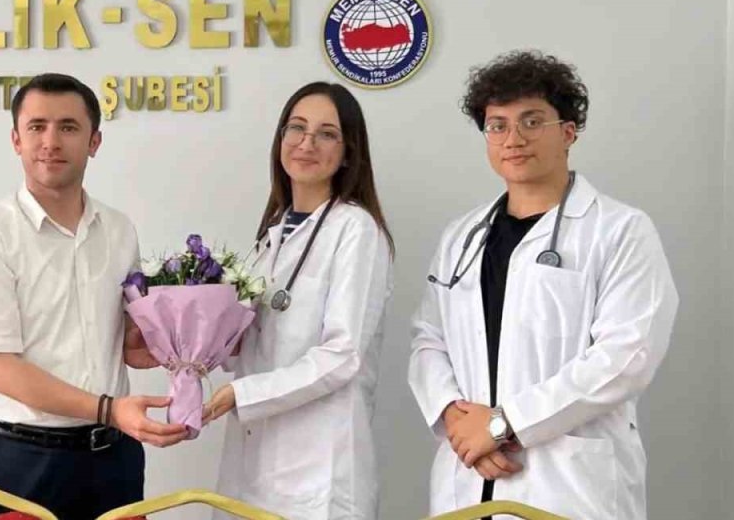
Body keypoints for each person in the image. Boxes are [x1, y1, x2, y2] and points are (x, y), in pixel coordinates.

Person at [408, 50, 678, 519]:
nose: (513, 139)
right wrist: (455, 418)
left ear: (568, 132)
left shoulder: (620, 230)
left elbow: (626, 356)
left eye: (532, 122)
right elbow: (428, 340)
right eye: (497, 125)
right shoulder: (462, 237)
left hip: (567, 484)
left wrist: (503, 425)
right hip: (468, 476)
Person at [0, 73, 188, 520]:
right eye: (37, 127)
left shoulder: (119, 231)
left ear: (94, 141)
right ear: (16, 140)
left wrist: (176, 345)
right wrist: (109, 410)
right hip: (22, 463)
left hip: (114, 458)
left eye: (68, 127)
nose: (51, 141)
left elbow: (126, 344)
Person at [202, 82, 394, 519]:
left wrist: (242, 394)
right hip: (251, 462)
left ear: (348, 152)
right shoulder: (270, 237)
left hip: (317, 470)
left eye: (327, 133)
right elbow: (255, 344)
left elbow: (343, 355)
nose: (307, 144)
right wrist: (195, 348)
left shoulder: (356, 229)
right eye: (297, 128)